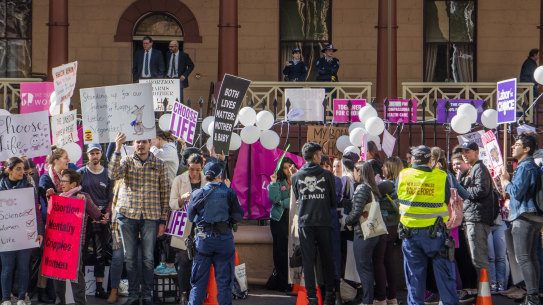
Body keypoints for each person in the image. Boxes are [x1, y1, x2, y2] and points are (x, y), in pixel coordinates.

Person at [109, 132, 170, 305]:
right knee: (129, 258)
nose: (141, 145)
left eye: (144, 142)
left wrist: (163, 220)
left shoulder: (160, 165)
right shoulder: (126, 161)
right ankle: (133, 295)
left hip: (150, 216)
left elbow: (165, 193)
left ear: (150, 143)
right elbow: (113, 175)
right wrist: (118, 147)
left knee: (148, 258)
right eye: (138, 142)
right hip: (128, 215)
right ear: (133, 144)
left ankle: (148, 295)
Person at [396, 145, 458, 305]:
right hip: (436, 235)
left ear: (413, 160)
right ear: (430, 160)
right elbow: (446, 200)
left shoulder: (403, 175)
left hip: (410, 235)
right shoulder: (441, 176)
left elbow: (398, 196)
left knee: (415, 282)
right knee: (446, 280)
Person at [186, 161, 244, 305]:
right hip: (224, 240)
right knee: (224, 283)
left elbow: (190, 217)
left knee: (198, 283)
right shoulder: (229, 192)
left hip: (203, 242)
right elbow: (238, 216)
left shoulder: (197, 193)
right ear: (220, 176)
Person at [47, 169, 103, 305]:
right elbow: (51, 215)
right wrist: (50, 197)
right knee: (57, 272)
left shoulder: (83, 196)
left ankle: (80, 302)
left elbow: (96, 214)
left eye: (64, 181)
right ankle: (60, 301)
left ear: (73, 184)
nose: (61, 183)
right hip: (58, 242)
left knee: (75, 272)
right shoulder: (59, 196)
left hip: (74, 242)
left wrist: (85, 203)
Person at [291, 142, 337, 305]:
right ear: (315, 156)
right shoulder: (327, 175)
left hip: (305, 223)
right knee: (327, 258)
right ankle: (330, 295)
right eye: (320, 153)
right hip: (323, 222)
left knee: (308, 262)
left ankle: (312, 298)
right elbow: (333, 201)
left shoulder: (295, 176)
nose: (321, 156)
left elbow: (297, 198)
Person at [501, 131, 542, 305]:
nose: (512, 146)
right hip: (533, 217)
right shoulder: (531, 166)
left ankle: (532, 297)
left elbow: (517, 193)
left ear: (526, 148)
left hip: (524, 217)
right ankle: (534, 294)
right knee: (531, 257)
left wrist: (506, 182)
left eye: (516, 144)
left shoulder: (525, 166)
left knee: (524, 258)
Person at [0, 157, 44, 305]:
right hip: (5, 236)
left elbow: (36, 212)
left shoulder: (29, 188)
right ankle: (6, 297)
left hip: (25, 235)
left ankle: (21, 297)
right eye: (18, 168)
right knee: (7, 268)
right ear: (9, 170)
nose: (22, 171)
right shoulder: (0, 188)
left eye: (22, 168)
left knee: (24, 267)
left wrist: (40, 231)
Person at [169, 153, 206, 305]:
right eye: (192, 169)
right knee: (183, 260)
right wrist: (182, 198)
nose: (195, 173)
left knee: (199, 260)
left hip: (201, 225)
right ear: (187, 167)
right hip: (183, 226)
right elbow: (171, 204)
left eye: (198, 170)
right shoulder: (179, 180)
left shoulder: (206, 180)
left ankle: (195, 293)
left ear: (202, 168)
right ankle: (183, 293)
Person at [77, 144, 113, 299]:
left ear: (101, 154)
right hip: (84, 219)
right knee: (82, 253)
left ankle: (99, 287)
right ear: (87, 154)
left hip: (101, 220)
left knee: (100, 254)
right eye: (92, 153)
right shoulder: (80, 173)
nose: (95, 156)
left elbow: (111, 198)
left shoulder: (108, 174)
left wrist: (107, 215)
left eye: (97, 153)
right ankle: (81, 287)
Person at [456, 141, 494, 283]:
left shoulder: (479, 168)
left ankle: (485, 296)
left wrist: (462, 190)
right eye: (463, 152)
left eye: (468, 152)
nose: (464, 155)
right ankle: (482, 294)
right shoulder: (473, 169)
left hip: (477, 218)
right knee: (476, 259)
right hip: (472, 217)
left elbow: (481, 190)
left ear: (476, 151)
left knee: (480, 260)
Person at [345, 162, 382, 305]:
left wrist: (347, 221)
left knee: (364, 268)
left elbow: (356, 212)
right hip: (372, 233)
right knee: (368, 267)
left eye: (354, 171)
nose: (353, 174)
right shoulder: (372, 188)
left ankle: (367, 301)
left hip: (363, 233)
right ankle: (368, 299)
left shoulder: (362, 189)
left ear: (359, 172)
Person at [373, 156, 404, 305]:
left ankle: (380, 298)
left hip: (384, 226)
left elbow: (372, 192)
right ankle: (392, 297)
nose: (382, 169)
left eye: (385, 166)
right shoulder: (399, 184)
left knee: (379, 261)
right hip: (393, 226)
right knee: (389, 260)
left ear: (390, 168)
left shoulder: (386, 185)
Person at [268, 157, 297, 291]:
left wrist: (284, 202)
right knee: (280, 251)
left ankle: (293, 281)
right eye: (285, 168)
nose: (288, 170)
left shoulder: (298, 180)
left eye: (290, 166)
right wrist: (273, 183)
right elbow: (275, 199)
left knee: (293, 250)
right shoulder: (277, 182)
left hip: (294, 219)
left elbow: (298, 199)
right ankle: (283, 281)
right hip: (279, 220)